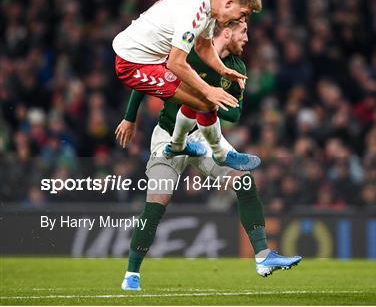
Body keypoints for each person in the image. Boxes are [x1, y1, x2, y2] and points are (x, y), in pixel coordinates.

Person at [115, 21, 302, 291]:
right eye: (243, 32)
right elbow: (146, 79)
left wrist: (207, 99)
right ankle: (131, 274)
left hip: (204, 136)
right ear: (227, 32)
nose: (247, 38)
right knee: (158, 201)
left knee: (244, 181)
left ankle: (262, 257)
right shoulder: (187, 52)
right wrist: (129, 118)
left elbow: (234, 114)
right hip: (167, 135)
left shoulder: (237, 69)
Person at [113, 0, 262, 171]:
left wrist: (222, 70)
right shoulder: (195, 14)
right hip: (134, 64)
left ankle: (178, 146)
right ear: (229, 4)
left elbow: (203, 45)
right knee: (204, 101)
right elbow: (175, 63)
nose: (241, 20)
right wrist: (208, 90)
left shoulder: (207, 0)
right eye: (242, 14)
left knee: (203, 99)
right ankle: (220, 153)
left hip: (154, 59)